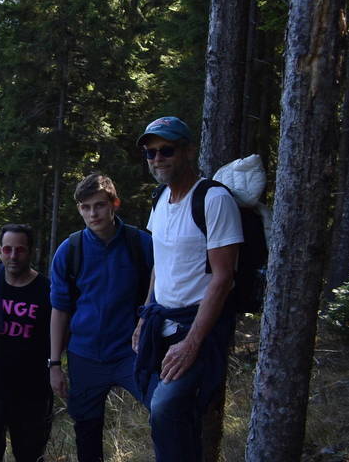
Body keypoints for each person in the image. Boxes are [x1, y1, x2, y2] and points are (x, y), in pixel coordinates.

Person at [133, 116, 241, 462]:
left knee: (164, 409)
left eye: (166, 150)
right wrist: (143, 316)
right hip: (160, 323)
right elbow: (159, 265)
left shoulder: (213, 199)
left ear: (188, 151)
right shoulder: (158, 198)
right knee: (171, 416)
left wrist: (191, 344)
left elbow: (223, 277)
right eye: (150, 153)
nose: (157, 159)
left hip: (198, 327)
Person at [49, 173, 153, 462]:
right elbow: (60, 309)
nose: (93, 213)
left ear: (114, 204)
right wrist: (55, 363)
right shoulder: (69, 251)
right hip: (85, 355)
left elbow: (163, 284)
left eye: (99, 205)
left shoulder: (140, 243)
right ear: (79, 210)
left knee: (165, 410)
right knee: (87, 430)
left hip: (132, 353)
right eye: (85, 207)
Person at [0, 224, 53, 462]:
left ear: (31, 252)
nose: (13, 256)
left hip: (33, 388)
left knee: (29, 454)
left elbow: (58, 333)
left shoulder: (45, 289)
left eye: (20, 250)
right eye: (7, 250)